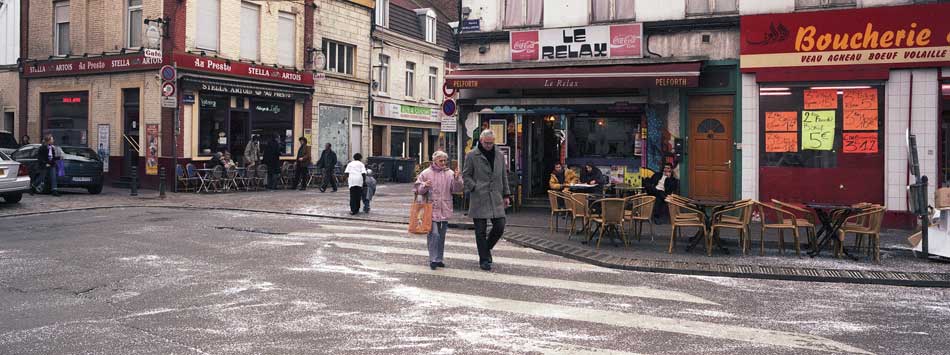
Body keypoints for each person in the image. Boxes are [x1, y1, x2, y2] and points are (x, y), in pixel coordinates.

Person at [463, 129, 510, 271]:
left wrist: (506, 195)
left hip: (495, 196)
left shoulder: (499, 155)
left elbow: (503, 176)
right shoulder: (472, 155)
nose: (489, 145)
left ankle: (486, 250)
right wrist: (474, 187)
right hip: (479, 197)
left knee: (500, 226)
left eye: (491, 143)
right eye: (486, 143)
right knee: (480, 231)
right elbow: (466, 175)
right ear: (481, 141)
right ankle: (484, 260)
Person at [414, 151, 464, 270]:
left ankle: (439, 258)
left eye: (444, 161)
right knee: (434, 234)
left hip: (445, 207)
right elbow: (417, 189)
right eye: (440, 160)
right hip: (430, 207)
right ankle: (433, 259)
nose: (443, 163)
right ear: (434, 160)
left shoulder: (450, 173)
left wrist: (457, 179)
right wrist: (424, 185)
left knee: (442, 235)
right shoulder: (426, 173)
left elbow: (456, 189)